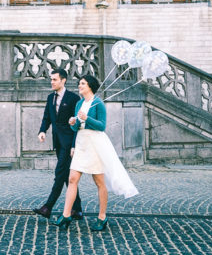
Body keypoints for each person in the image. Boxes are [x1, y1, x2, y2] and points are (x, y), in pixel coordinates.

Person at [54, 75, 138, 231]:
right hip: (81, 143)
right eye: (79, 83)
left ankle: (102, 216)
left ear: (90, 86)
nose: (79, 86)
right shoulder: (79, 103)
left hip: (95, 144)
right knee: (72, 178)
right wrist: (73, 124)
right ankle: (66, 215)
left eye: (83, 83)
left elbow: (101, 126)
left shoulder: (98, 103)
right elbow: (77, 128)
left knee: (99, 182)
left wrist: (87, 119)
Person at [33, 68, 83, 221]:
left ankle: (48, 207)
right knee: (67, 175)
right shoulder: (50, 98)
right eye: (51, 79)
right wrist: (42, 131)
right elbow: (46, 117)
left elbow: (78, 124)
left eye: (55, 79)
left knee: (59, 174)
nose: (52, 82)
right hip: (58, 142)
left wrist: (74, 144)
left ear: (63, 80)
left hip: (69, 144)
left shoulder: (73, 98)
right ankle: (78, 209)